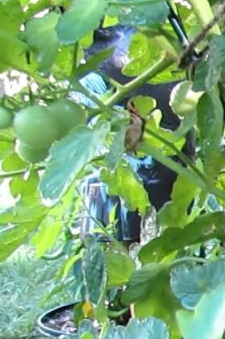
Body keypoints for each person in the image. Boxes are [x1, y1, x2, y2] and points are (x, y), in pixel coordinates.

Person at [75, 24, 193, 243]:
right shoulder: (89, 55)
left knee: (174, 235)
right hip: (125, 179)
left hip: (173, 167)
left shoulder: (155, 32)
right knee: (119, 244)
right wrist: (119, 121)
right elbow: (88, 119)